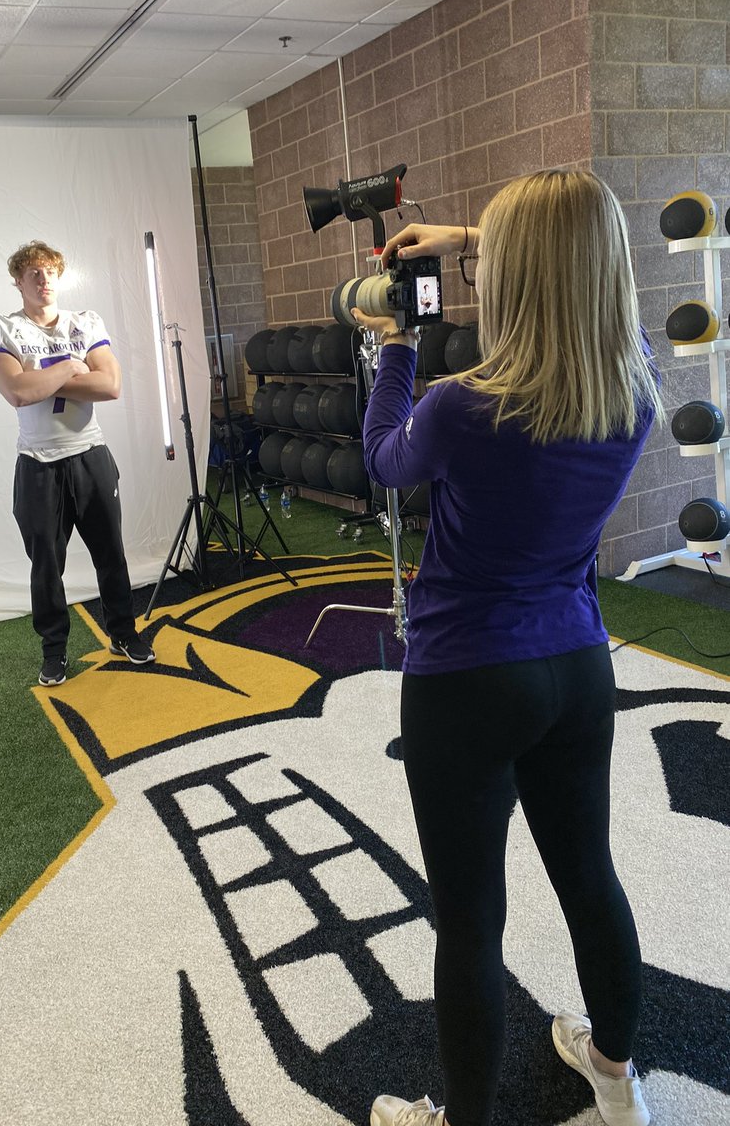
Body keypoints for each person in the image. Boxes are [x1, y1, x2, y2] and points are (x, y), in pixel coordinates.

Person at [354, 169, 661, 1126]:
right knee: (590, 880)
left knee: (471, 927)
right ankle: (614, 1077)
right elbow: (571, 273)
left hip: (466, 684)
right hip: (578, 669)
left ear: (513, 278)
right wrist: (466, 234)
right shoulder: (635, 387)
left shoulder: (460, 404)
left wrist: (397, 348)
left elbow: (385, 461)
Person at [0, 240, 155, 687]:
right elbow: (17, 392)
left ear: (59, 277)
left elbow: (111, 384)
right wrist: (72, 367)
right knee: (46, 564)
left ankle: (123, 633)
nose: (43, 280)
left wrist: (42, 376)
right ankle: (55, 651)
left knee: (110, 553)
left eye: (49, 272)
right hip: (38, 463)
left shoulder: (85, 321)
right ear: (17, 281)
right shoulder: (3, 327)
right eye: (33, 274)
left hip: (90, 456)